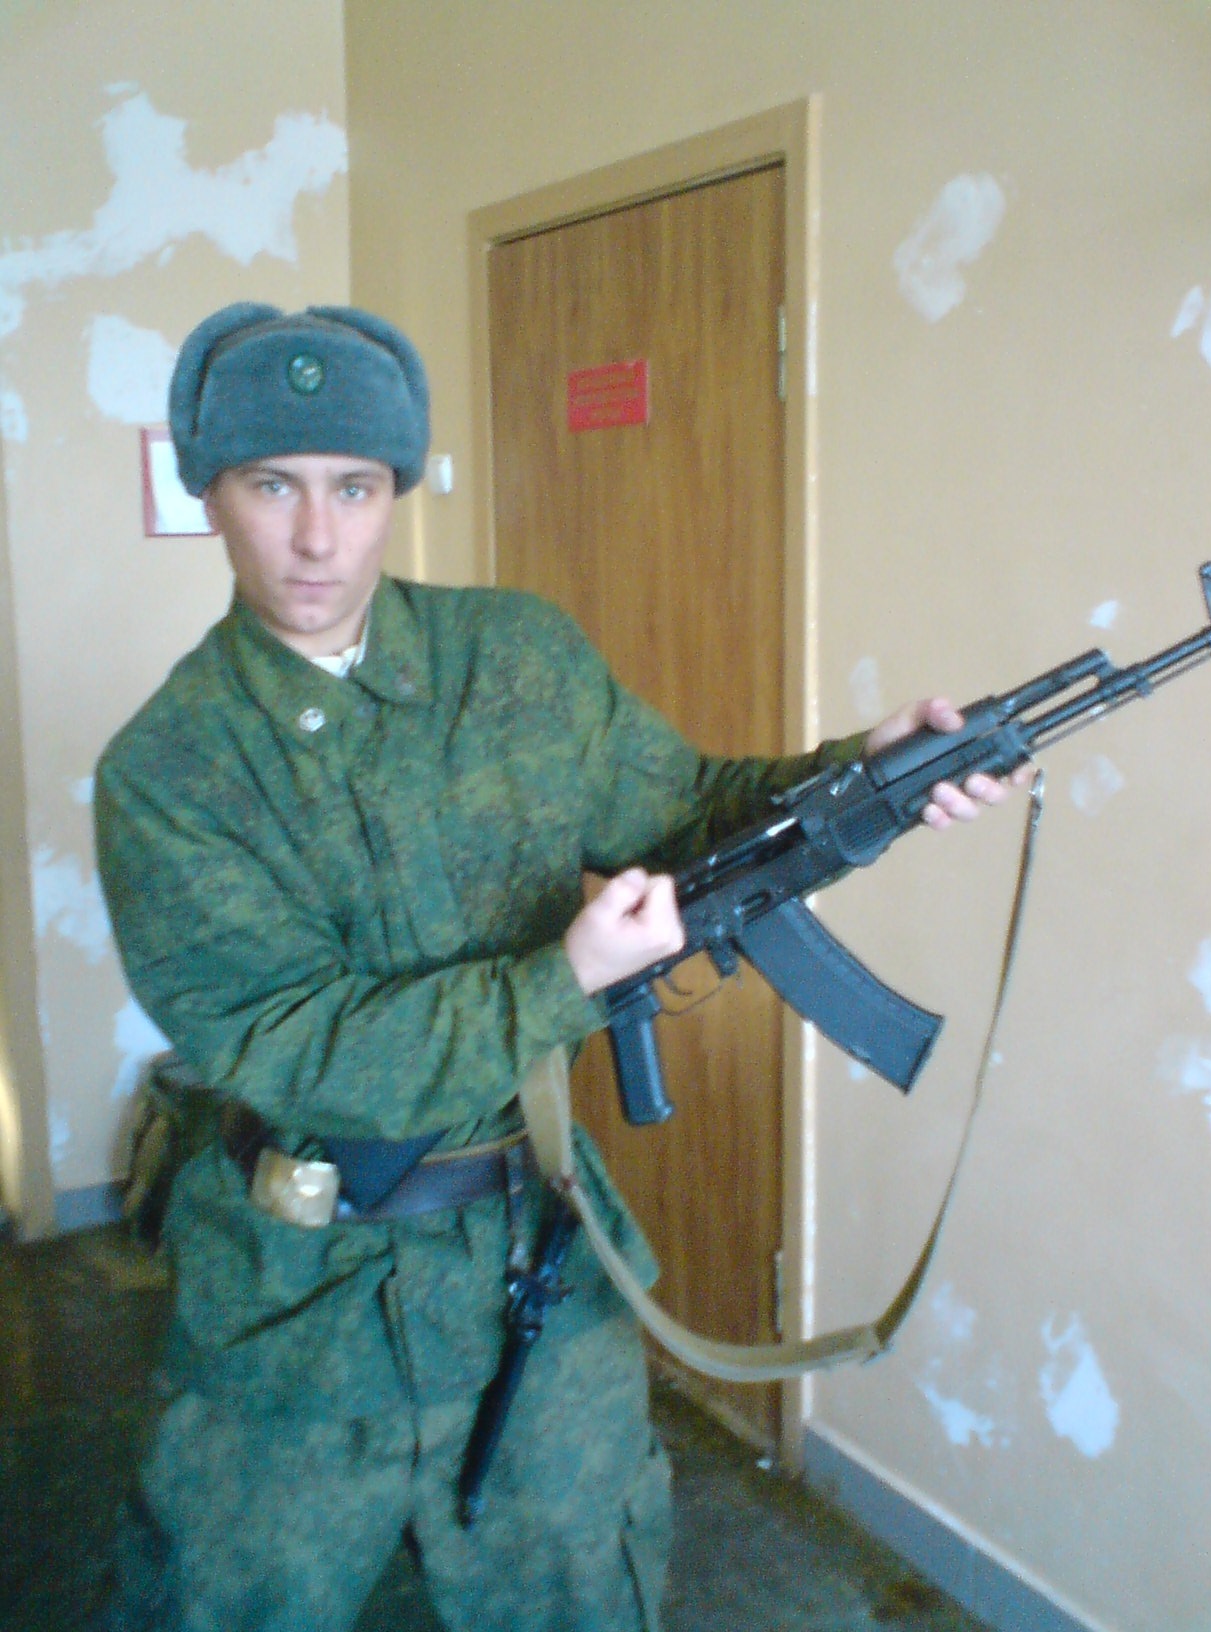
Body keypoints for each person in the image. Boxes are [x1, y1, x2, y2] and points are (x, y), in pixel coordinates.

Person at [92, 302, 1022, 1632]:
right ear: (210, 494)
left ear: (394, 491)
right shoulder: (168, 771)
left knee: (583, 1592)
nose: (317, 537)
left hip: (534, 1266)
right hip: (291, 1315)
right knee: (230, 1603)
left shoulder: (516, 659)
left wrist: (864, 780)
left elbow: (688, 811)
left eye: (354, 488)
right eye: (271, 485)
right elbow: (295, 1046)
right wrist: (560, 981)